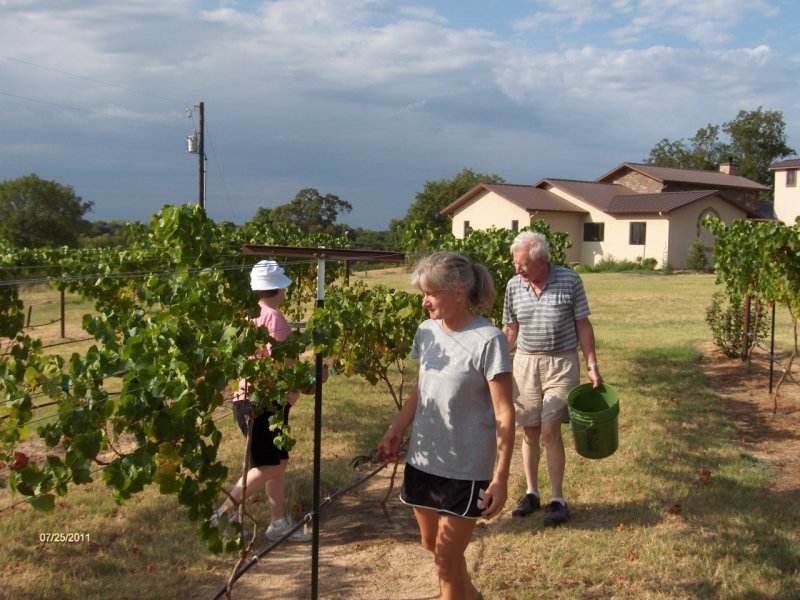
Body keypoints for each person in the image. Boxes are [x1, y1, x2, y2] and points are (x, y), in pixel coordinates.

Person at [377, 251, 514, 600]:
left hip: (465, 471)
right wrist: (396, 429)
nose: (424, 302)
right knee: (432, 546)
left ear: (458, 292)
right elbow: (421, 389)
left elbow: (504, 413)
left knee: (445, 560)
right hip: (423, 460)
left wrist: (500, 478)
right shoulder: (427, 333)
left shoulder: (488, 339)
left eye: (431, 293)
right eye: (423, 293)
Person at [502, 231, 602, 527]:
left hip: (561, 361)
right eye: (514, 263)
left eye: (522, 264)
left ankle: (557, 499)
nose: (516, 269)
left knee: (549, 430)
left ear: (542, 260)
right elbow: (510, 329)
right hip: (525, 363)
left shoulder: (569, 281)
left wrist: (592, 365)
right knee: (529, 431)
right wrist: (493, 363)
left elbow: (583, 325)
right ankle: (532, 494)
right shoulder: (513, 286)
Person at [211, 260, 312, 543]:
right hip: (264, 403)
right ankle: (222, 515)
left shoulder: (247, 318)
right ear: (279, 289)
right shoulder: (274, 318)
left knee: (277, 461)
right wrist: (308, 381)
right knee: (269, 466)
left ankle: (278, 522)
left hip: (247, 400)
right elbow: (285, 362)